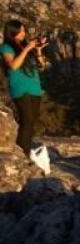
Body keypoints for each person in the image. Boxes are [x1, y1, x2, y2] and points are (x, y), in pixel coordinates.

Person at [1, 19, 47, 154]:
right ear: (12, 32)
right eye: (21, 31)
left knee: (31, 122)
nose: (24, 33)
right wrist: (27, 49)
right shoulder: (6, 48)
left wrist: (38, 51)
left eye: (23, 30)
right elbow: (13, 66)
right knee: (26, 121)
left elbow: (42, 67)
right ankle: (22, 153)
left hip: (34, 88)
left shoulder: (25, 46)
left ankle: (24, 149)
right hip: (20, 88)